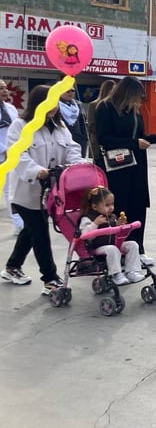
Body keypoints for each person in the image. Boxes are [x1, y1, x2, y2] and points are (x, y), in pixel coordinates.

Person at [0, 85, 85, 294]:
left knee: (31, 231)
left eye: (56, 103)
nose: (54, 107)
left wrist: (79, 164)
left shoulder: (59, 126)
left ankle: (12, 267)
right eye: (50, 103)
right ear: (38, 104)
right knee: (40, 232)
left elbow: (72, 149)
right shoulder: (21, 126)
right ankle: (50, 278)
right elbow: (17, 154)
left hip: (52, 192)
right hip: (26, 193)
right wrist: (37, 171)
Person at [96, 76, 156, 265]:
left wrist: (154, 138)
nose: (140, 100)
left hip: (138, 164)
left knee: (138, 204)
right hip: (118, 166)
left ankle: (138, 248)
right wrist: (134, 143)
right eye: (138, 96)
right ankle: (118, 249)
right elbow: (104, 138)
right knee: (120, 205)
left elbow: (140, 136)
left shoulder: (135, 111)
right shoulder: (106, 108)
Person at [78, 186, 144, 285]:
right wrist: (95, 224)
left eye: (112, 204)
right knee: (112, 249)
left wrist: (119, 225)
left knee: (133, 244)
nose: (111, 207)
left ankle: (132, 271)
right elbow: (85, 235)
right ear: (95, 206)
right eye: (107, 205)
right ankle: (116, 274)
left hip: (114, 243)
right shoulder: (88, 218)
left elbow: (116, 232)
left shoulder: (112, 216)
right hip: (97, 246)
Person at [0, 80, 24, 235]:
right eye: (1, 88)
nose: (5, 90)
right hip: (3, 151)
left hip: (11, 156)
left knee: (11, 190)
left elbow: (17, 131)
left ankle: (19, 224)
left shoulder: (11, 108)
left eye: (5, 87)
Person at [87, 79, 115, 169]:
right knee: (99, 170)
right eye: (112, 90)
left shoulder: (116, 106)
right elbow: (91, 125)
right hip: (98, 144)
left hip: (113, 144)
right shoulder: (94, 105)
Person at [58, 87, 89, 157]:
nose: (70, 92)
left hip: (79, 141)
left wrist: (85, 138)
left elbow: (83, 122)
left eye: (72, 91)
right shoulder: (55, 105)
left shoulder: (78, 104)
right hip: (62, 141)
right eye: (67, 91)